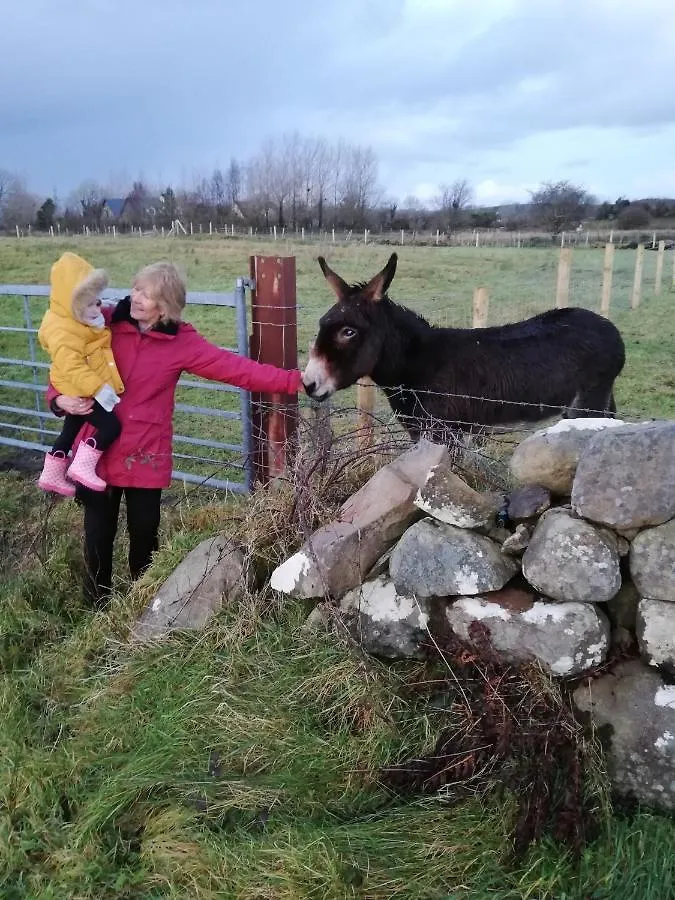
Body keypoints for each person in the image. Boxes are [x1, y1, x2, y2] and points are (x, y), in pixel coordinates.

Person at [48, 258, 303, 605]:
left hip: (145, 454)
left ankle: (143, 605)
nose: (135, 297)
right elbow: (67, 363)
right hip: (97, 451)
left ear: (165, 307)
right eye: (136, 288)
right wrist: (59, 398)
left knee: (144, 536)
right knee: (97, 534)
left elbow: (235, 369)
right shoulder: (104, 323)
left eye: (147, 295)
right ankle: (96, 605)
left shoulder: (181, 342)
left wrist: (294, 381)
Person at [38, 252, 124, 495]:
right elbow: (73, 366)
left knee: (70, 430)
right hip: (79, 386)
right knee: (110, 426)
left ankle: (51, 473)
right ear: (72, 304)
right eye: (90, 304)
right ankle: (82, 468)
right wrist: (99, 389)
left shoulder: (71, 319)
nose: (98, 307)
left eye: (98, 301)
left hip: (74, 387)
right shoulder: (63, 332)